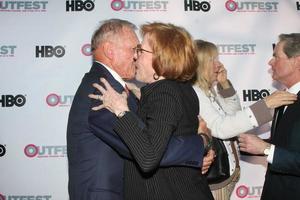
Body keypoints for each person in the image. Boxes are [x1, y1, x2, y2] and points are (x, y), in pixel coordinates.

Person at [66, 19, 210, 200]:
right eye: (134, 49)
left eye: (140, 50)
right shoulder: (102, 90)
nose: (136, 56)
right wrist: (200, 144)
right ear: (110, 51)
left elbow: (149, 144)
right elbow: (147, 149)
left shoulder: (131, 90)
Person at [192, 39, 297, 200]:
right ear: (200, 64)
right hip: (215, 180)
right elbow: (222, 128)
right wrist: (265, 105)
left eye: (276, 57)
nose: (218, 64)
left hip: (226, 179)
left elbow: (232, 117)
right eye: (212, 59)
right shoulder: (195, 92)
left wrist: (225, 85)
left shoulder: (208, 90)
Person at [238, 33, 300, 200]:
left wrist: (266, 149)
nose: (270, 62)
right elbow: (285, 145)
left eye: (276, 56)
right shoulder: (284, 98)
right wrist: (257, 144)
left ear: (296, 61)